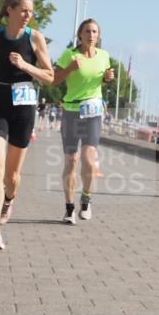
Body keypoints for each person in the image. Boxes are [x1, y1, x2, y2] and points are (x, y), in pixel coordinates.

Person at [0, 0, 54, 251]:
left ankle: (9, 199)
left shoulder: (35, 38)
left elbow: (50, 76)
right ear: (10, 10)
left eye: (31, 12)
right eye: (24, 11)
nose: (28, 15)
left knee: (12, 176)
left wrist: (26, 66)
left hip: (23, 109)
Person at [53, 19, 115, 223]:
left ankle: (86, 200)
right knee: (71, 160)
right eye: (87, 31)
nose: (91, 35)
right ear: (80, 34)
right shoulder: (69, 55)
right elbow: (54, 79)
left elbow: (104, 78)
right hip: (71, 109)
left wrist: (108, 78)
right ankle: (69, 208)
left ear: (99, 36)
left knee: (89, 159)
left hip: (93, 111)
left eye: (95, 31)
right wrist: (70, 68)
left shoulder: (104, 56)